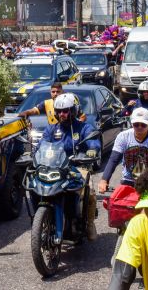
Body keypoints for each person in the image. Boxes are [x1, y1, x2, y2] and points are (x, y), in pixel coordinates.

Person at [37, 93, 100, 239]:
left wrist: (92, 149)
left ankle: (89, 224)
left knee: (89, 192)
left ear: (74, 110)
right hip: (54, 167)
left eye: (66, 110)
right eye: (58, 111)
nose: (62, 114)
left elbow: (93, 141)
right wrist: (35, 154)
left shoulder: (84, 127)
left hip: (77, 166)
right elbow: (42, 145)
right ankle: (42, 220)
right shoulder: (51, 129)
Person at [98, 108, 148, 193]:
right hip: (128, 180)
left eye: (143, 125)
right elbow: (114, 159)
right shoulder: (123, 136)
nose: (139, 127)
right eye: (136, 124)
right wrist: (104, 180)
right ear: (131, 123)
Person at [18, 83, 87, 123]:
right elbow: (34, 110)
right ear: (50, 92)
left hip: (69, 132)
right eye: (53, 92)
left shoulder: (70, 103)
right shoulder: (46, 103)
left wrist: (77, 126)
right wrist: (26, 112)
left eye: (58, 92)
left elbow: (83, 117)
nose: (55, 94)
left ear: (62, 92)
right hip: (53, 133)